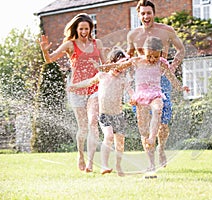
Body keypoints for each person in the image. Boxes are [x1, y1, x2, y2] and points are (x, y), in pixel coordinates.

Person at [98, 36, 189, 177]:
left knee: (158, 108)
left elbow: (172, 78)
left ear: (161, 53)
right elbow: (118, 67)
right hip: (141, 97)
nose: (152, 59)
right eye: (149, 56)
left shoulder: (162, 63)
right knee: (143, 132)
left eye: (155, 56)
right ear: (143, 52)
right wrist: (105, 68)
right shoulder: (137, 61)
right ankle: (151, 163)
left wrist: (181, 88)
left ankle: (153, 137)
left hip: (155, 93)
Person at [39, 13, 106, 173]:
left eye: (86, 28)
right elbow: (50, 59)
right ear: (76, 29)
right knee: (83, 128)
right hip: (77, 90)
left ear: (91, 29)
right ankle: (81, 155)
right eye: (81, 28)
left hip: (95, 89)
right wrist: (44, 51)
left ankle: (90, 162)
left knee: (92, 122)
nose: (84, 31)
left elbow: (105, 65)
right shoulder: (70, 44)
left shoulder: (98, 43)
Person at [127, 0, 185, 168]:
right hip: (142, 85)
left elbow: (181, 50)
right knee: (143, 124)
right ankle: (150, 161)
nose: (146, 16)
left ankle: (161, 149)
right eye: (143, 13)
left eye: (149, 13)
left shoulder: (167, 31)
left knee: (163, 123)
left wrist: (172, 66)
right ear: (139, 15)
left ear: (154, 13)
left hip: (162, 81)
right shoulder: (133, 35)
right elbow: (129, 59)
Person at [68, 47, 132, 177]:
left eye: (125, 64)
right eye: (121, 63)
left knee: (120, 143)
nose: (123, 67)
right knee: (108, 136)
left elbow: (130, 91)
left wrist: (134, 98)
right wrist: (74, 86)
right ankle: (104, 166)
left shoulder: (123, 79)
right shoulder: (102, 76)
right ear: (112, 63)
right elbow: (89, 82)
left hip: (118, 115)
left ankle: (118, 166)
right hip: (105, 115)